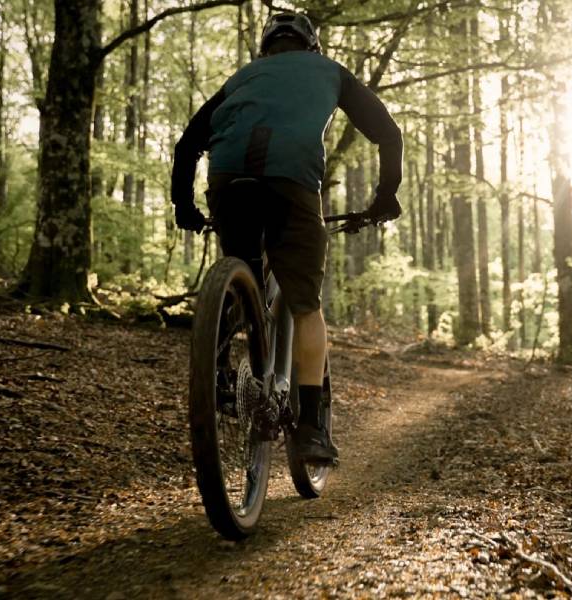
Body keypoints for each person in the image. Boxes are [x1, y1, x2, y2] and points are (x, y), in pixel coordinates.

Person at [171, 12, 403, 464]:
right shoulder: (330, 71)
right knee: (305, 302)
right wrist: (384, 196)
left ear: (265, 50)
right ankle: (312, 430)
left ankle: (218, 374)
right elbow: (388, 134)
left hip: (229, 181)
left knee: (245, 279)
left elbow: (186, 145)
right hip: (292, 183)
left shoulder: (244, 77)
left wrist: (185, 207)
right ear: (311, 46)